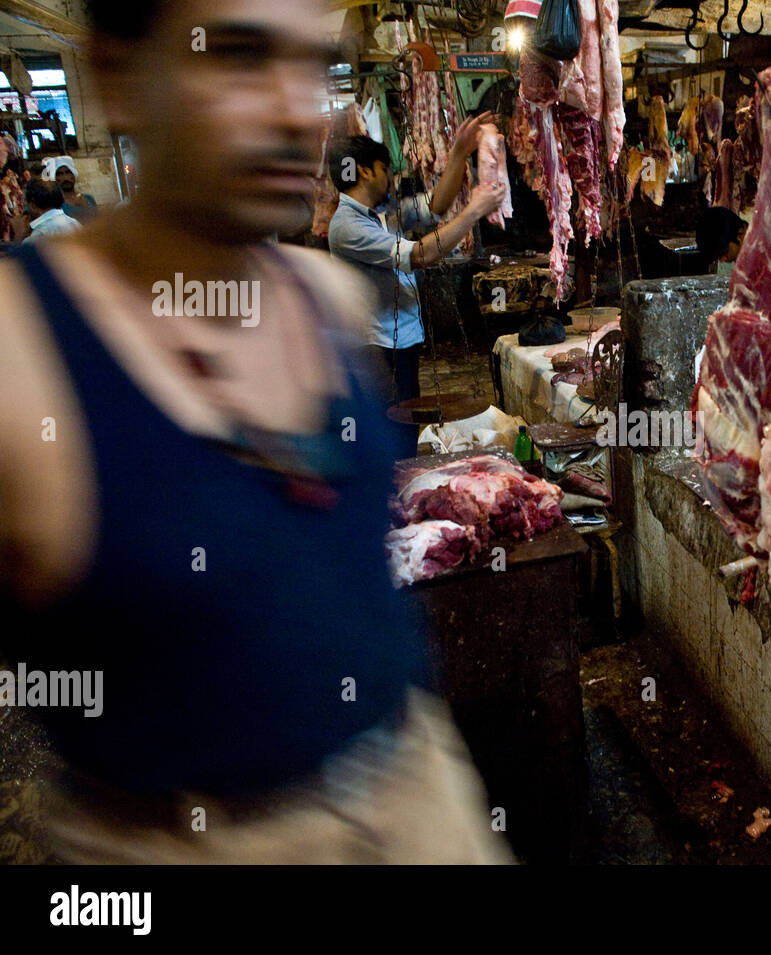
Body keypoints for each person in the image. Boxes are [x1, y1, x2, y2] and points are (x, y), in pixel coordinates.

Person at [0, 0, 507, 863]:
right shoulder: (23, 349)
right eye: (237, 56)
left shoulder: (324, 299)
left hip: (422, 801)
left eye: (307, 65)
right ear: (119, 76)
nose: (287, 109)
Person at [328, 128, 503, 405]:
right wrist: (474, 211)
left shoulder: (383, 214)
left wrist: (458, 154)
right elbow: (419, 256)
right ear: (364, 172)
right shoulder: (348, 226)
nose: (389, 178)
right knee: (394, 428)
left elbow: (436, 204)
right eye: (384, 168)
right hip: (378, 349)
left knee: (406, 418)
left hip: (399, 342)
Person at [43, 156, 98, 222]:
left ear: (74, 175)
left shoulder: (89, 199)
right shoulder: (55, 205)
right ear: (54, 178)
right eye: (59, 174)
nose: (65, 178)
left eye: (68, 172)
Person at [696, 205, 747, 273]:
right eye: (718, 257)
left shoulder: (763, 253)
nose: (722, 260)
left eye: (724, 252)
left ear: (740, 234)